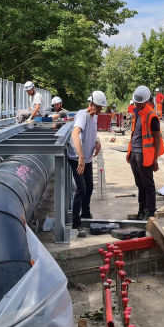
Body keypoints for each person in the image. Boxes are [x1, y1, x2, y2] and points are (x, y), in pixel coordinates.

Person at [67, 91, 107, 236]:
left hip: (87, 158)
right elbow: (75, 133)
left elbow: (90, 133)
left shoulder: (94, 116)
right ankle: (76, 223)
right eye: (98, 107)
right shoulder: (82, 115)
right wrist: (81, 158)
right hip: (77, 159)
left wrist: (96, 143)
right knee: (81, 189)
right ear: (91, 104)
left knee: (89, 187)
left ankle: (86, 213)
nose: (100, 111)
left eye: (101, 108)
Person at [127, 85, 164, 220]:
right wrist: (130, 153)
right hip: (135, 154)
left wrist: (155, 160)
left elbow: (157, 140)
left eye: (139, 102)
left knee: (148, 185)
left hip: (145, 156)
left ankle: (150, 212)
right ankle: (141, 212)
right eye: (136, 101)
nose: (136, 104)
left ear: (146, 101)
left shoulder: (152, 116)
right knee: (140, 184)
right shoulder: (137, 113)